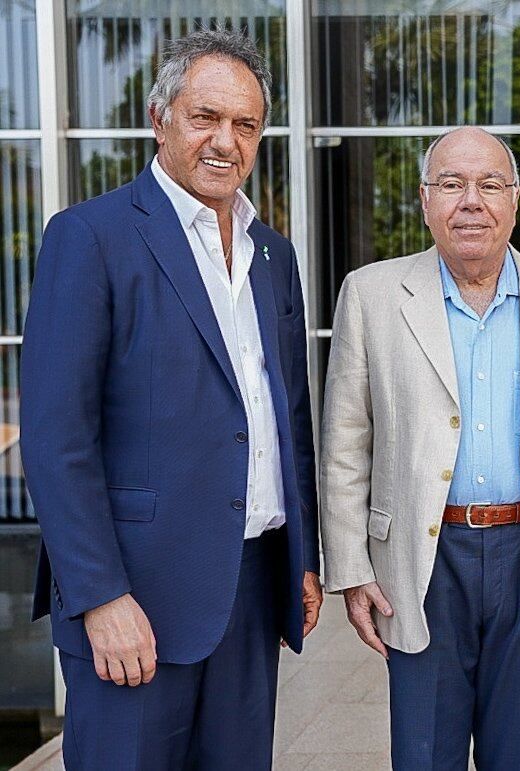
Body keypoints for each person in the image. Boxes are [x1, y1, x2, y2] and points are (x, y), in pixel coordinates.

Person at [20, 29, 321, 768]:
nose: (226, 141)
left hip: (250, 593)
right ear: (160, 119)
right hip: (136, 601)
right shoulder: (89, 237)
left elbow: (288, 422)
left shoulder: (272, 256)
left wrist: (301, 557)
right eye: (205, 117)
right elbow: (58, 440)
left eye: (245, 125)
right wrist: (98, 597)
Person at [319, 126, 520, 770]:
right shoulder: (371, 295)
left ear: (515, 201)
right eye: (452, 184)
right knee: (424, 753)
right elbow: (345, 445)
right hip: (420, 558)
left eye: (490, 185)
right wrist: (350, 567)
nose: (472, 201)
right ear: (425, 198)